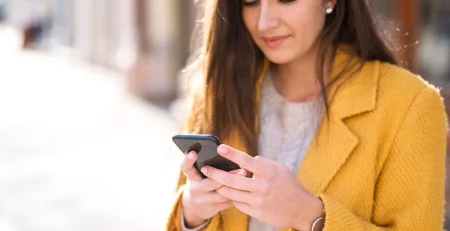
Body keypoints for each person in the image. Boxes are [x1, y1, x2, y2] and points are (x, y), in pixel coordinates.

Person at [166, 0, 447, 230]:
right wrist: (192, 214)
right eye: (250, 1)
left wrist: (309, 215)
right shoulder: (216, 90)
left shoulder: (411, 105)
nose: (264, 22)